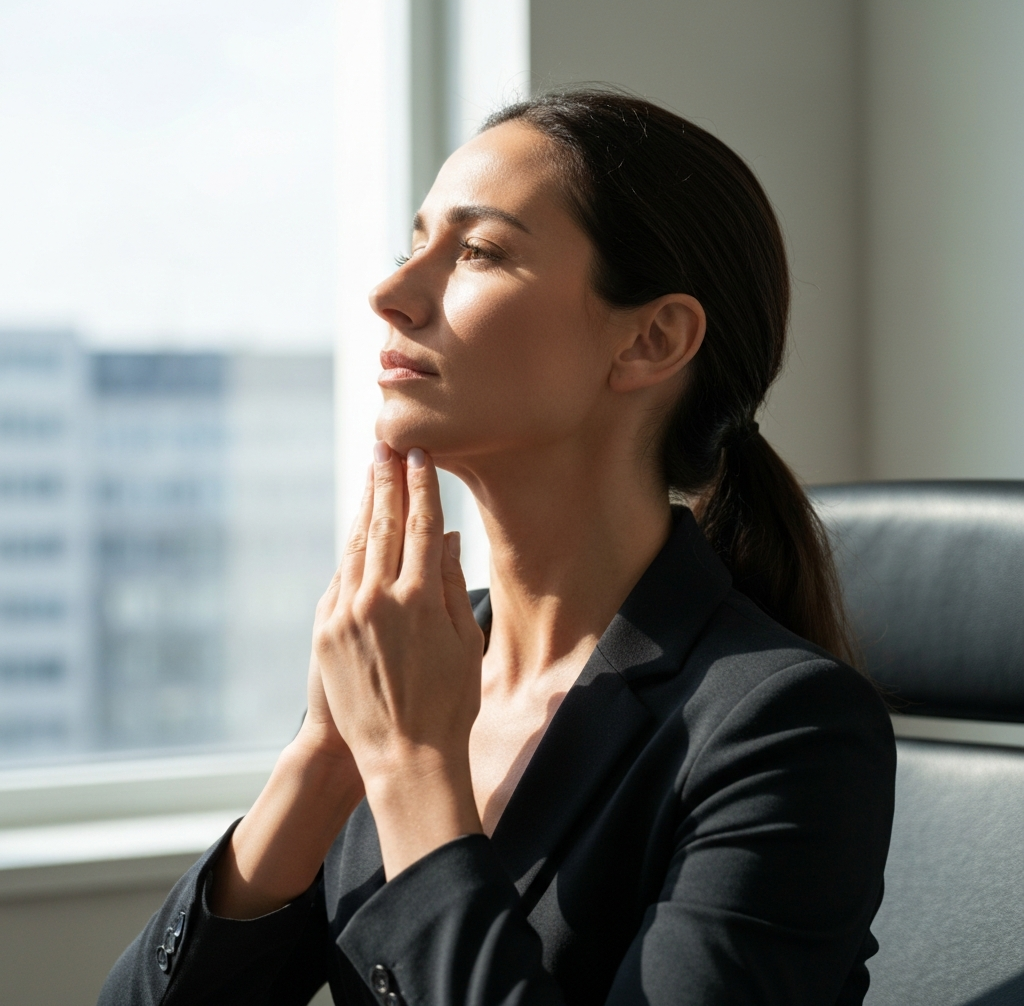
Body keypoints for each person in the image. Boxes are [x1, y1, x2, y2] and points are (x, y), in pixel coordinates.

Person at [98, 89, 895, 1006]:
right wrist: (324, 760)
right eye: (415, 245)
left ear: (653, 339)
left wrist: (408, 768)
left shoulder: (787, 730)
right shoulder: (414, 665)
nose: (391, 292)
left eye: (478, 251)